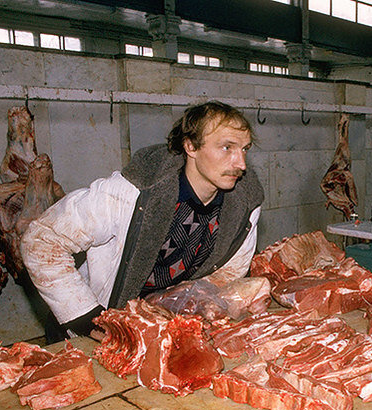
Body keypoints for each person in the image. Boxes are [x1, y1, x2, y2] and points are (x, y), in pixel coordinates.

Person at [20, 101, 264, 340]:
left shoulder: (244, 202)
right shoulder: (132, 192)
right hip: (87, 328)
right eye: (227, 148)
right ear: (190, 146)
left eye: (244, 149)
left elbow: (227, 273)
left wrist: (199, 308)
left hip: (155, 330)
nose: (240, 164)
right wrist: (86, 317)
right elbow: (42, 240)